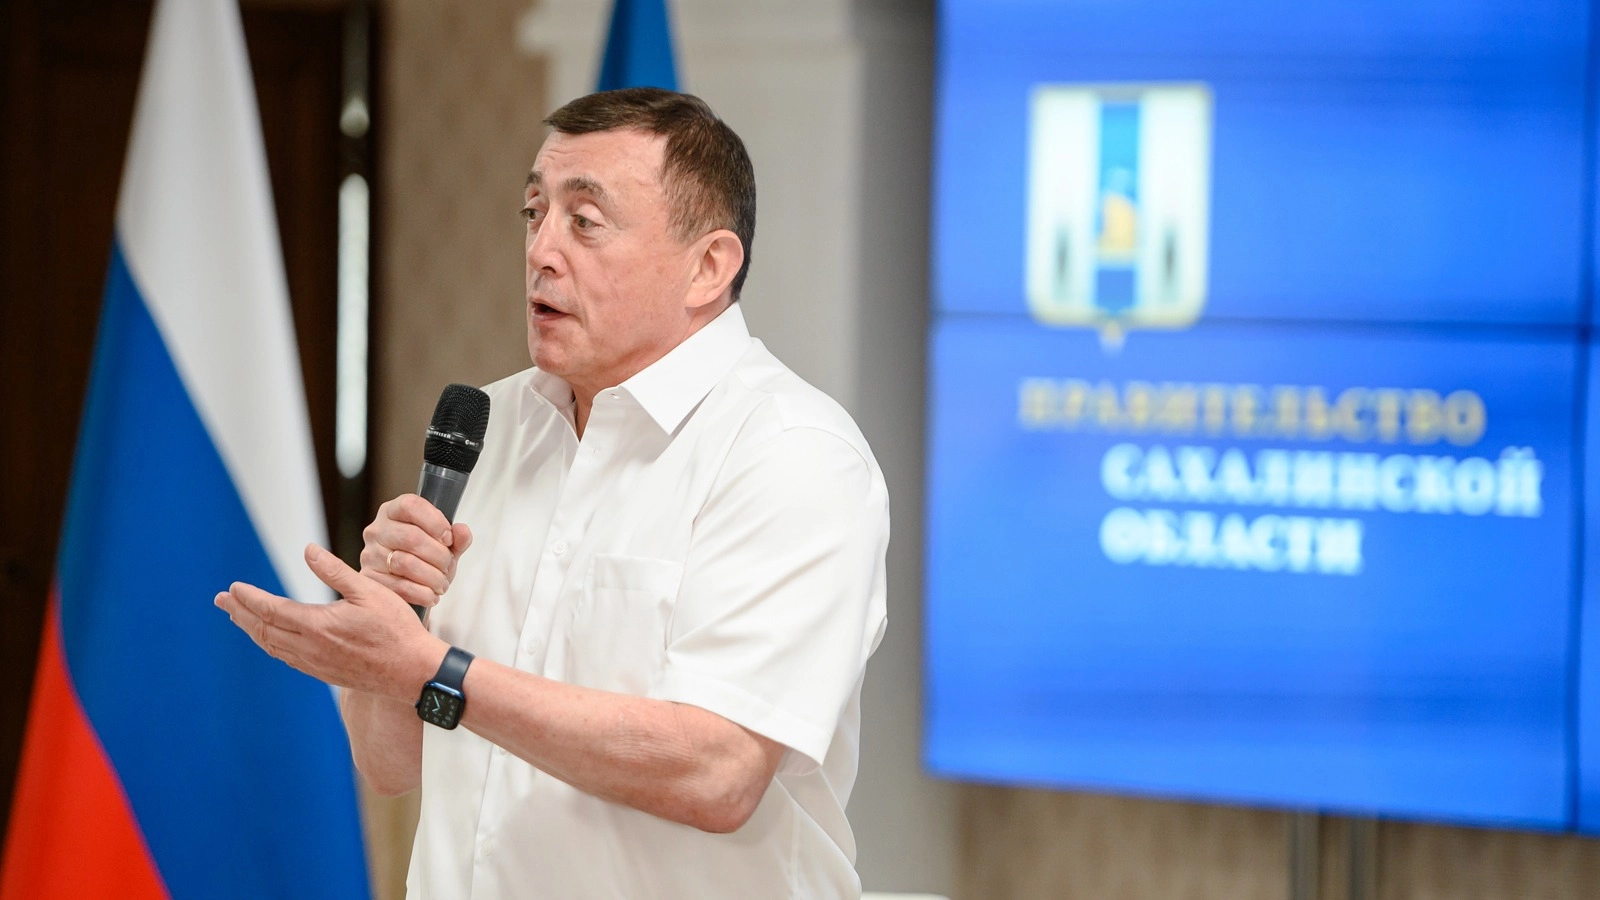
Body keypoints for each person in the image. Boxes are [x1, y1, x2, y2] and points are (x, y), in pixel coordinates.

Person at [215, 87, 889, 899]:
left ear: (709, 266)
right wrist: (397, 625)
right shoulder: (490, 425)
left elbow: (717, 773)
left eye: (585, 221)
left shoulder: (791, 455)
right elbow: (389, 765)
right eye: (534, 213)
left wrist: (436, 669)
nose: (541, 249)